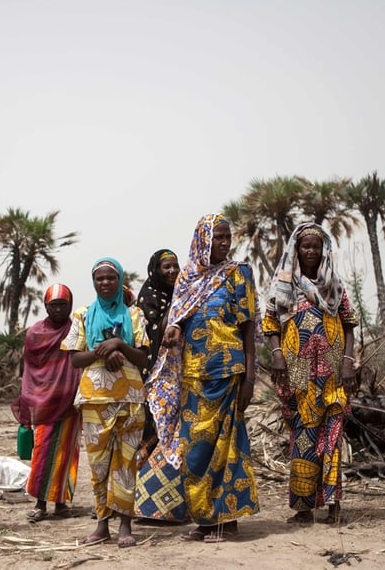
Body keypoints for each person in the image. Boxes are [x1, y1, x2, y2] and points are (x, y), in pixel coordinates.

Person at [156, 213, 260, 543]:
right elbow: (177, 319)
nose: (225, 242)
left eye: (228, 237)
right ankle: (203, 518)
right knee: (195, 451)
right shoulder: (187, 278)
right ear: (202, 239)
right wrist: (172, 329)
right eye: (218, 237)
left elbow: (248, 331)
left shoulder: (239, 274)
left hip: (228, 372)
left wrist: (249, 379)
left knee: (228, 447)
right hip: (193, 376)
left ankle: (226, 521)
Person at [262, 222, 359, 525]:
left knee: (332, 435)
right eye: (306, 246)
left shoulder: (335, 286)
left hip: (331, 366)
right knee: (303, 435)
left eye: (316, 246)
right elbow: (270, 323)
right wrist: (277, 355)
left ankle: (332, 505)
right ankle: (304, 508)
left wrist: (347, 362)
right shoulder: (284, 286)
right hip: (298, 367)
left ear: (324, 250)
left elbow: (349, 325)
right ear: (296, 249)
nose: (311, 251)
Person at [61, 258, 149, 548]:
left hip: (130, 398)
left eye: (111, 278)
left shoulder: (134, 314)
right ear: (94, 282)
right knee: (98, 465)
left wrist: (120, 344)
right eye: (100, 279)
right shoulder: (83, 315)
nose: (105, 283)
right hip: (94, 398)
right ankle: (101, 526)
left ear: (119, 280)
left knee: (126, 463)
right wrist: (103, 351)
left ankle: (125, 525)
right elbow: (75, 358)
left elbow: (143, 356)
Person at [15, 283, 81, 522]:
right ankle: (41, 503)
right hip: (43, 401)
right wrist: (28, 401)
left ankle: (61, 503)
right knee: (42, 452)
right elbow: (31, 371)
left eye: (63, 305)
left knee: (67, 453)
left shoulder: (76, 329)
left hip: (71, 401)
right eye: (53, 305)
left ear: (70, 305)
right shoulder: (35, 333)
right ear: (45, 306)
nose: (58, 310)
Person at [133, 249, 190, 523]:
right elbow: (153, 332)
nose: (171, 271)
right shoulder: (148, 298)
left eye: (175, 266)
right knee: (155, 432)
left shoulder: (185, 294)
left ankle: (175, 507)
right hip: (156, 376)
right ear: (155, 270)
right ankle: (145, 506)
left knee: (177, 436)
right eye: (166, 267)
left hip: (182, 376)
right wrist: (177, 306)